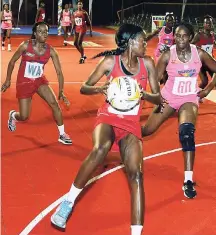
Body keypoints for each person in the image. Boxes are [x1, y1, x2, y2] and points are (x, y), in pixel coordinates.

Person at [51, 23, 162, 235]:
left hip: (131, 123)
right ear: (130, 42)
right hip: (108, 116)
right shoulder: (111, 61)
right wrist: (101, 88)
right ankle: (68, 202)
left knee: (137, 174)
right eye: (141, 39)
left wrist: (143, 93)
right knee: (100, 149)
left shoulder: (147, 63)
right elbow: (85, 87)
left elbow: (158, 97)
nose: (145, 43)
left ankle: (136, 232)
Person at [142, 22, 216, 199]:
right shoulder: (166, 55)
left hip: (189, 99)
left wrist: (207, 90)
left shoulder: (199, 53)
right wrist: (157, 96)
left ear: (191, 37)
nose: (180, 39)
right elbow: (155, 78)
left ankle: (187, 180)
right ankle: (122, 145)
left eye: (184, 36)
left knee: (187, 133)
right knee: (146, 130)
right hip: (168, 98)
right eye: (177, 36)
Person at [1, 22, 72, 145]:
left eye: (46, 32)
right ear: (34, 33)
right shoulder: (25, 46)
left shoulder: (51, 51)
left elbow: (59, 72)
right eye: (41, 31)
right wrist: (8, 80)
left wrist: (61, 91)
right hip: (24, 82)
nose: (44, 34)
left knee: (54, 104)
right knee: (24, 117)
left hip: (39, 81)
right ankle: (13, 116)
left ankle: (62, 134)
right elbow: (12, 62)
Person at [191, 15, 216, 111]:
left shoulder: (212, 34)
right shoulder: (199, 35)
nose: (208, 24)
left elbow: (213, 41)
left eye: (210, 23)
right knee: (205, 81)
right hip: (201, 63)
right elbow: (191, 44)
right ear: (203, 24)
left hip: (210, 62)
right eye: (206, 23)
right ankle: (195, 95)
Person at [146, 13, 175, 84]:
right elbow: (150, 35)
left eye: (172, 21)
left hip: (169, 54)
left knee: (168, 72)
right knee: (165, 70)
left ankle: (159, 81)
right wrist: (143, 40)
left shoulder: (175, 31)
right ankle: (164, 87)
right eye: (169, 20)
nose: (170, 22)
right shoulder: (160, 30)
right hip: (159, 53)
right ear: (166, 21)